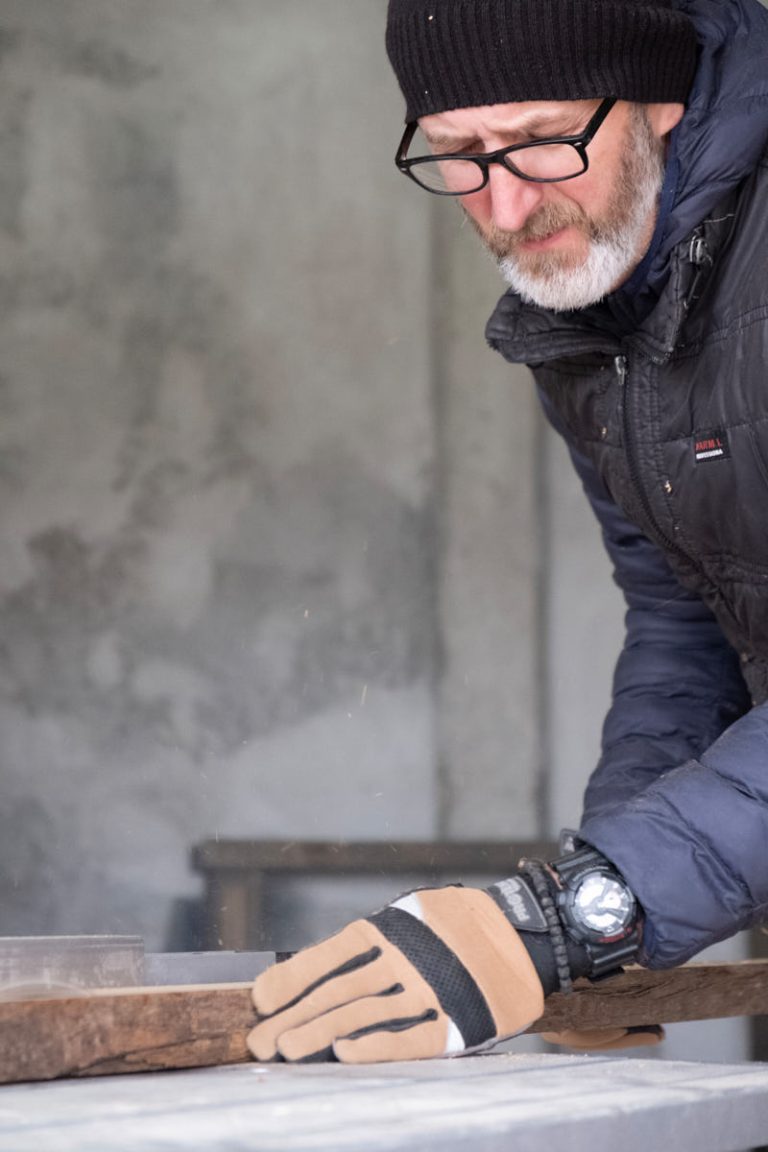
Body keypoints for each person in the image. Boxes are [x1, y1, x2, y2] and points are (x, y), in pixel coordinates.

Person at [246, 0, 768, 1064]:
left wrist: (578, 915)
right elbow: (686, 624)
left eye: (540, 141)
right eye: (457, 156)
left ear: (660, 97)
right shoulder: (587, 325)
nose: (507, 202)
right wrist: (624, 938)